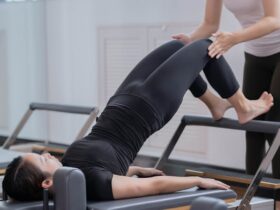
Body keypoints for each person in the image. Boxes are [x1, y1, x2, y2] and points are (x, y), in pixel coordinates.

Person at [2, 39, 273, 202]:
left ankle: (215, 104)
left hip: (123, 98)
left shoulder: (73, 170)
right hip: (150, 107)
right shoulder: (93, 183)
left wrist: (131, 170)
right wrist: (196, 181)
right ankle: (243, 107)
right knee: (208, 47)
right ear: (46, 183)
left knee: (180, 45)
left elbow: (113, 169)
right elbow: (151, 186)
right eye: (42, 160)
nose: (47, 154)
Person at [172, 0, 280, 178]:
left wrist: (234, 38)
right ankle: (251, 202)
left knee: (275, 125)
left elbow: (274, 19)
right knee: (252, 127)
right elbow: (210, 23)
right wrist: (190, 39)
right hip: (255, 54)